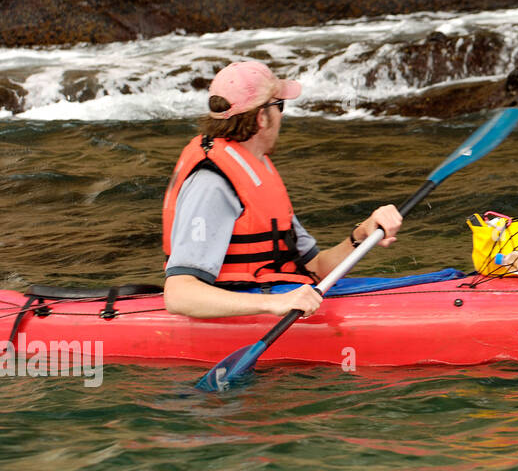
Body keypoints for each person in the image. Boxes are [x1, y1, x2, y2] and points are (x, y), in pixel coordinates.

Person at [162, 61, 402, 319]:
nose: (283, 116)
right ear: (261, 117)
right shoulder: (211, 182)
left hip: (278, 291)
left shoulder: (257, 167)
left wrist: (361, 235)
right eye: (280, 106)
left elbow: (316, 267)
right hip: (241, 310)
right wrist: (274, 304)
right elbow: (178, 294)